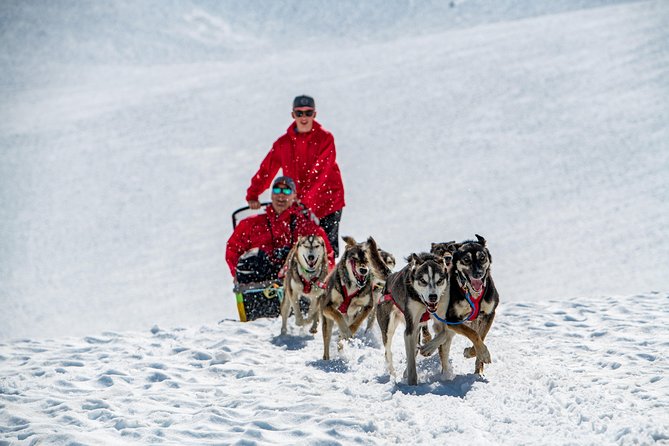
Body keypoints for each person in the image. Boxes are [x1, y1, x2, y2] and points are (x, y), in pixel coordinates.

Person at [245, 95, 345, 257]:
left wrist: (303, 199)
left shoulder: (325, 139)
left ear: (314, 114)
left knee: (326, 252)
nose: (304, 117)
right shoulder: (283, 143)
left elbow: (320, 173)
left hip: (328, 203)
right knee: (299, 251)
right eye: (299, 113)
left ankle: (326, 281)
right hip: (298, 206)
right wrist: (253, 193)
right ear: (293, 115)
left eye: (308, 113)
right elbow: (267, 169)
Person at [227, 176, 335, 284]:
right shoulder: (251, 224)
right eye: (277, 190)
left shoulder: (306, 227)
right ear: (272, 194)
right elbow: (233, 249)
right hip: (259, 287)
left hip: (297, 287)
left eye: (287, 190)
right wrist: (237, 273)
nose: (281, 194)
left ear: (294, 196)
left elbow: (327, 255)